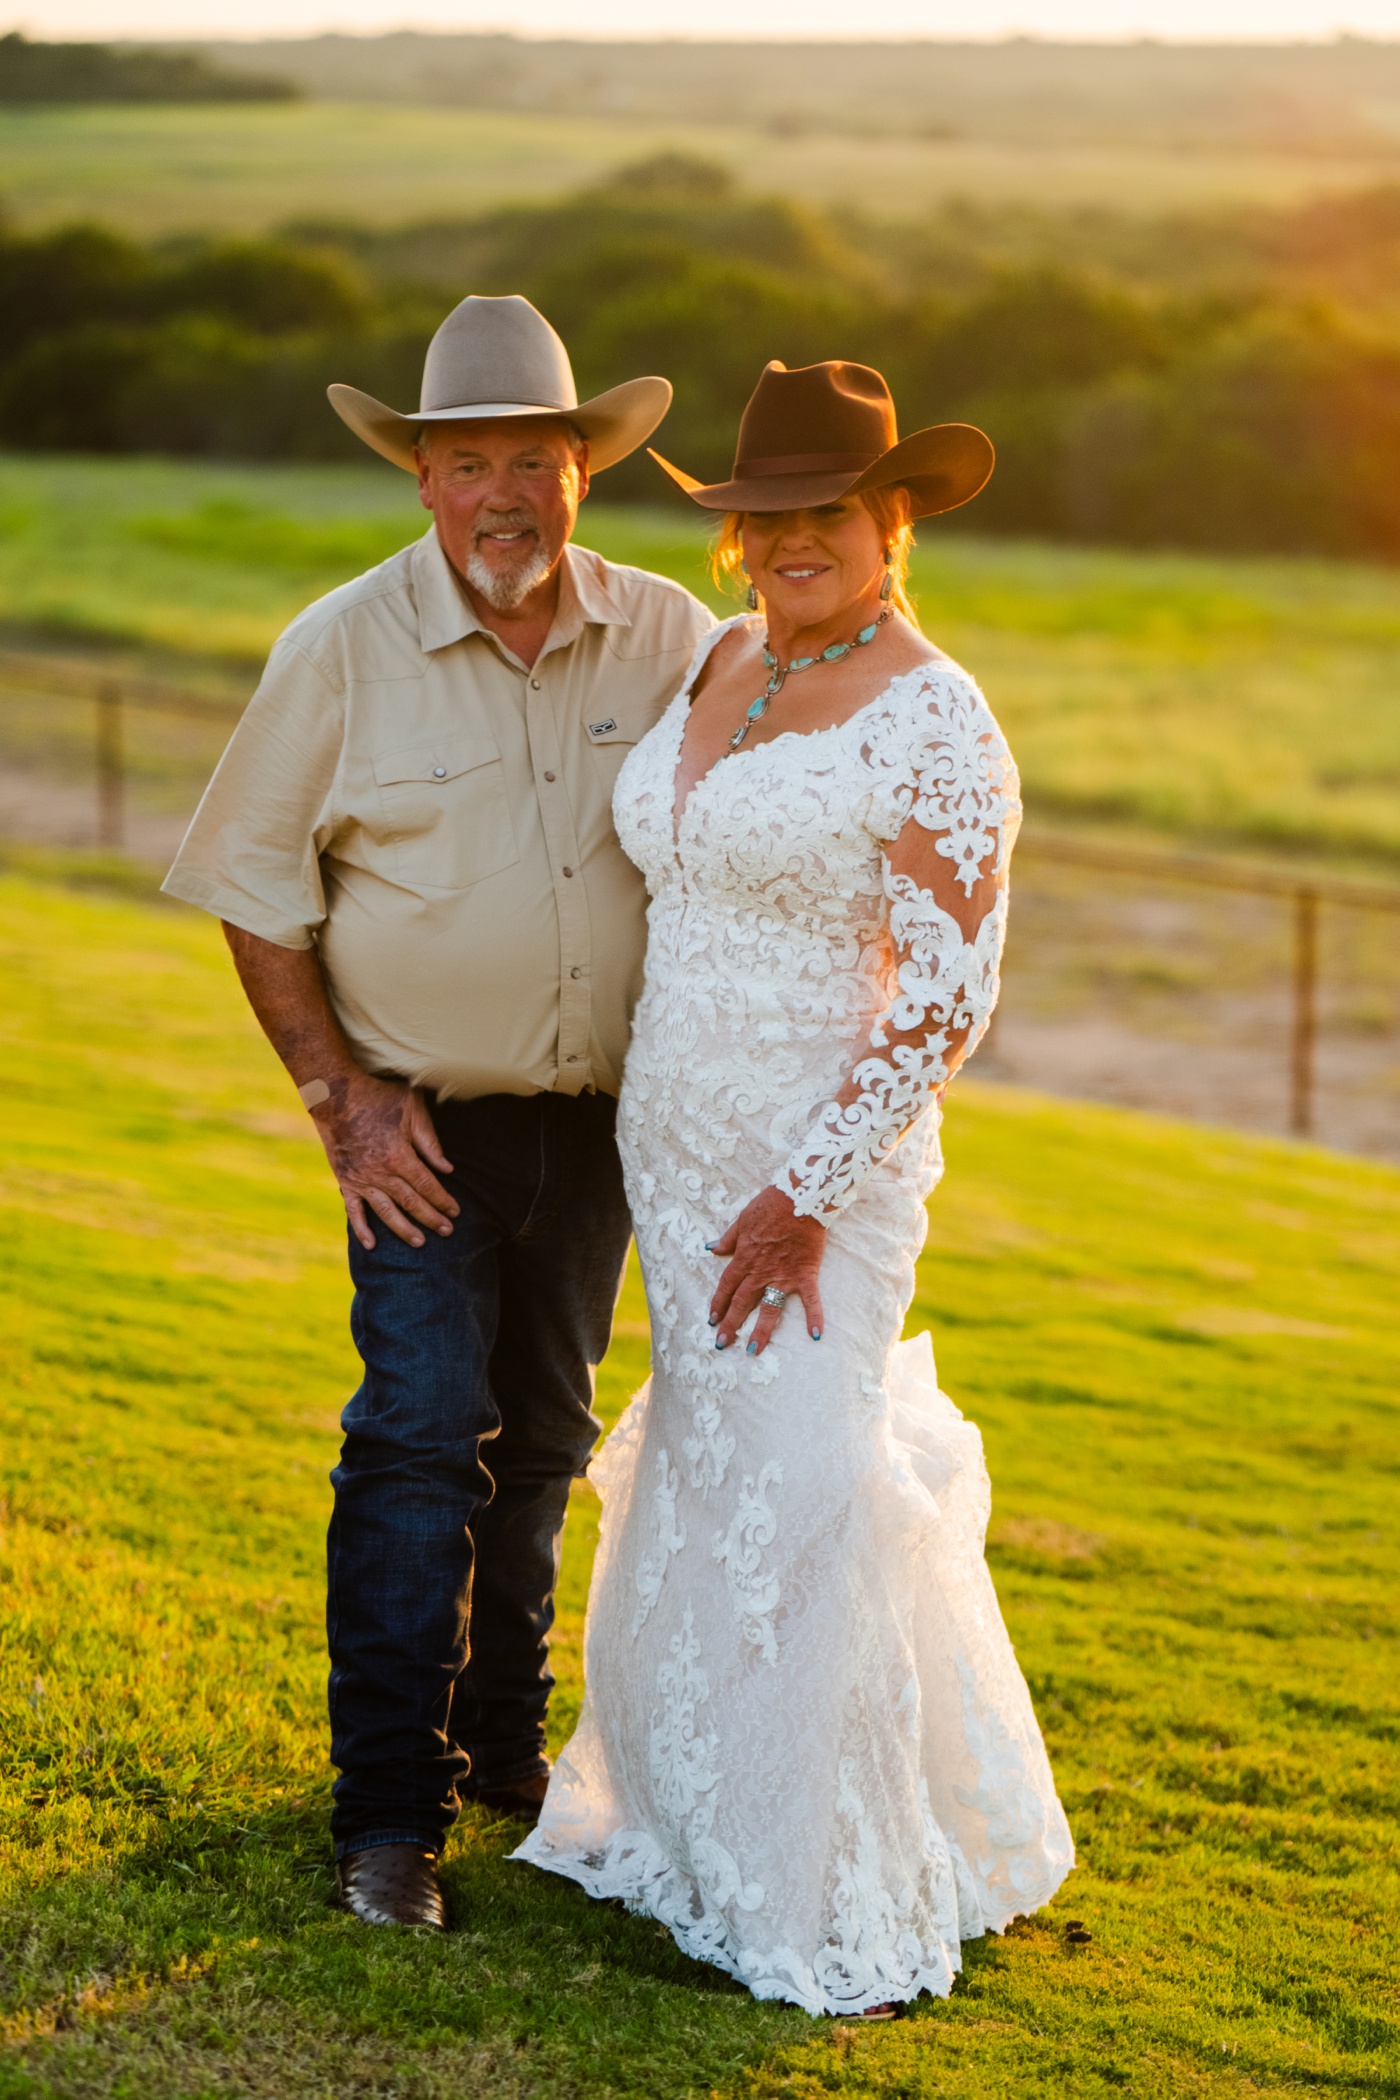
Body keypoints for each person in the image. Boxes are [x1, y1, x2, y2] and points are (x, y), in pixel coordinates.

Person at [515, 358, 1074, 2016]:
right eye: (765, 520)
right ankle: (684, 1819)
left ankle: (814, 1873)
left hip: (817, 1170)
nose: (791, 546)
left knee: (802, 1471)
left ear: (893, 521)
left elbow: (947, 993)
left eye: (825, 515)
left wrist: (809, 1190)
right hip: (675, 1148)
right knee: (708, 1460)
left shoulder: (939, 718)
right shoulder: (728, 658)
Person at [162, 295, 714, 1930]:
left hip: (607, 1133)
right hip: (422, 1138)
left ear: (580, 474)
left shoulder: (676, 638)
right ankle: (388, 1820)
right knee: (415, 1448)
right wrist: (339, 1100)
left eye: (533, 461)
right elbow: (255, 895)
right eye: (467, 461)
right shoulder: (338, 647)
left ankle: (503, 1759)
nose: (503, 495)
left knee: (542, 1448)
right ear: (420, 478)